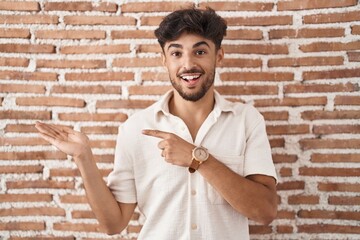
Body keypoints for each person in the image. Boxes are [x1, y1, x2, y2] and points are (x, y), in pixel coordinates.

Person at [35, 7, 278, 240]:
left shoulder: (247, 120)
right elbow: (113, 224)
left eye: (200, 52)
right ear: (164, 60)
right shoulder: (135, 128)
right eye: (176, 53)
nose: (188, 64)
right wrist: (83, 157)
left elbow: (265, 212)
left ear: (219, 56)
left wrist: (198, 159)